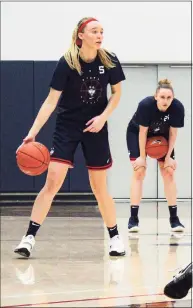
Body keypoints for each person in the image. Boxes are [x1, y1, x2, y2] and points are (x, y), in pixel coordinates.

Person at [14, 17, 126, 258]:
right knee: (52, 182)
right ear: (81, 35)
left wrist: (103, 118)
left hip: (96, 127)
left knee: (99, 187)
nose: (99, 35)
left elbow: (117, 94)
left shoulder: (109, 60)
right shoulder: (67, 62)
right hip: (68, 125)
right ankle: (29, 237)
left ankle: (115, 237)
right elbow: (51, 101)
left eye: (102, 31)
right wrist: (32, 134)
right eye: (94, 31)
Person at [126, 79, 185, 232]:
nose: (165, 101)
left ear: (173, 98)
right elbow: (142, 132)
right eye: (162, 97)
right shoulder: (146, 105)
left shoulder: (177, 108)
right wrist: (142, 158)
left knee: (169, 172)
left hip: (163, 136)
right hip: (137, 133)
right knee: (139, 171)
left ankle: (174, 219)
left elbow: (173, 133)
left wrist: (168, 157)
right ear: (156, 96)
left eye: (169, 98)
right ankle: (133, 219)